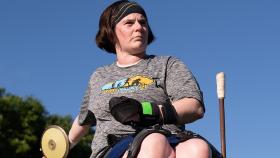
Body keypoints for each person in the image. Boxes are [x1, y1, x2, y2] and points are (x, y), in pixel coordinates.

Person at [68, 1, 222, 158]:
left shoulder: (167, 64)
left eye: (142, 22)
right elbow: (84, 120)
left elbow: (194, 106)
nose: (138, 27)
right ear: (111, 32)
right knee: (155, 142)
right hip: (115, 147)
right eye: (129, 23)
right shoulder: (99, 76)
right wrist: (61, 146)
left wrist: (147, 111)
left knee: (197, 147)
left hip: (170, 140)